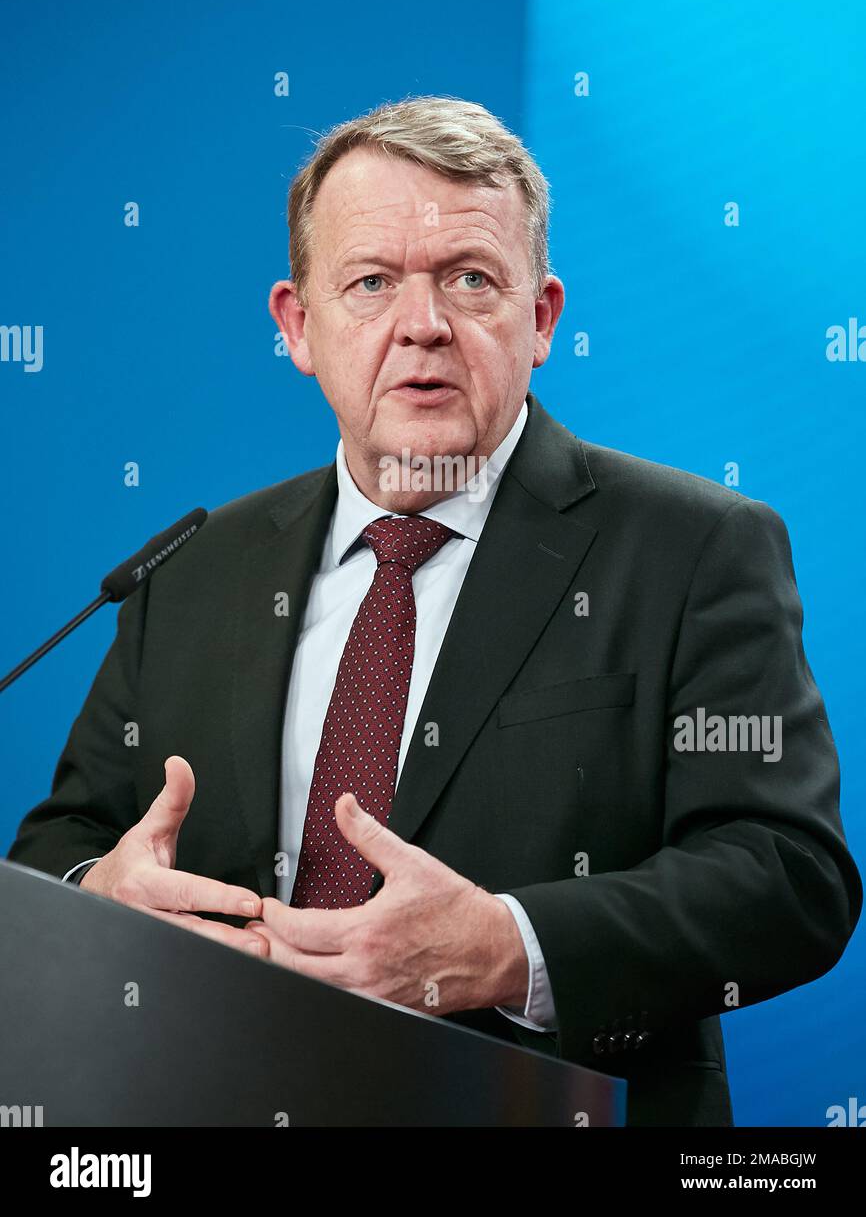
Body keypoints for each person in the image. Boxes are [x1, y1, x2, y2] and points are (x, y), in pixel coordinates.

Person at [7, 96, 861, 1126]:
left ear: (539, 317)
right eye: (370, 282)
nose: (422, 323)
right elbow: (65, 841)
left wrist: (507, 946)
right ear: (298, 326)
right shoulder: (193, 567)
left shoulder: (691, 547)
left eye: (469, 278)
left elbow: (787, 877)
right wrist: (105, 893)